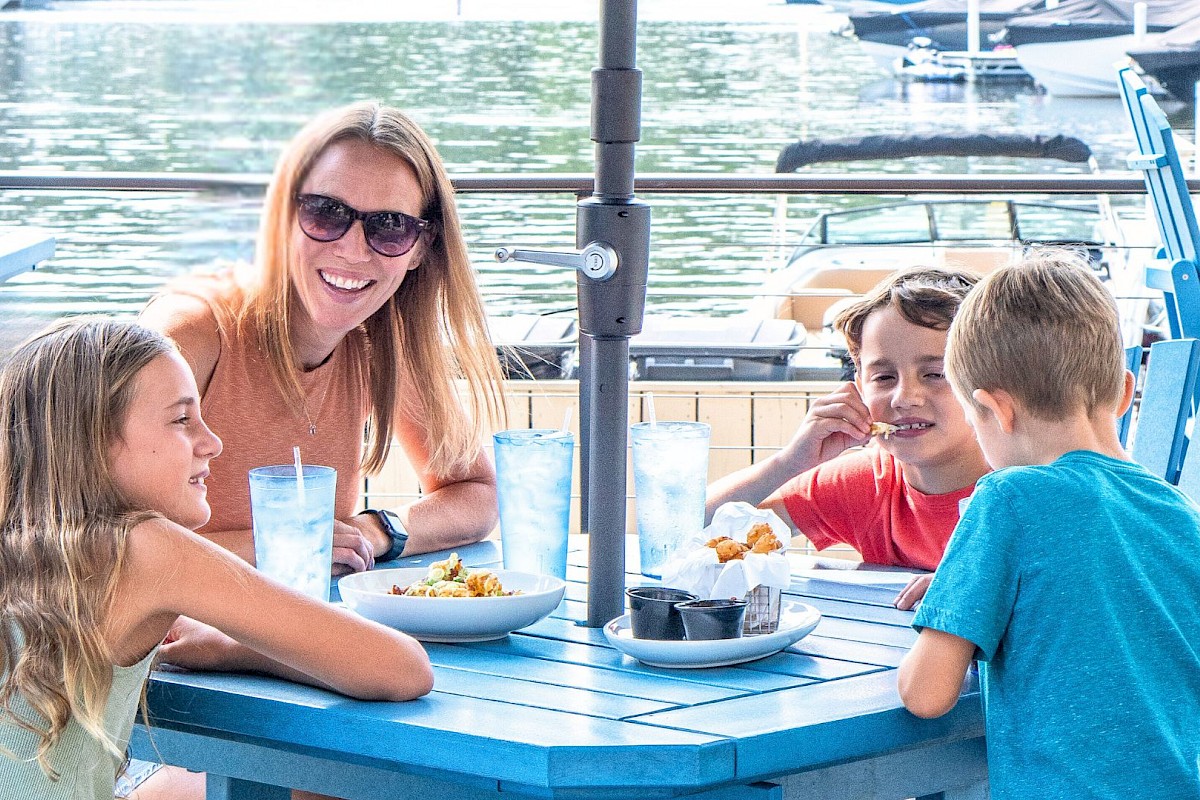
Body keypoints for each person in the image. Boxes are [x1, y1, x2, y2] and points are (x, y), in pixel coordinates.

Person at [0, 318, 434, 800]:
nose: (213, 443)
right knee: (336, 785)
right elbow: (402, 668)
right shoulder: (144, 548)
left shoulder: (22, 544)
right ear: (94, 440)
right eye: (182, 420)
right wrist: (232, 647)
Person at [140, 101, 506, 576]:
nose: (353, 250)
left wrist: (377, 531)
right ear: (283, 217)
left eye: (390, 226)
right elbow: (82, 535)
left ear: (420, 249)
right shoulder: (190, 334)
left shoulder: (377, 340)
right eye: (327, 212)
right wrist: (291, 545)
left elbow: (477, 494)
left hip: (291, 631)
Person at [897, 252, 1200, 799]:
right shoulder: (1179, 513)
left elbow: (926, 693)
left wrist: (954, 593)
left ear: (996, 410)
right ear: (1127, 394)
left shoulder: (1008, 498)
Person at [706, 267, 991, 609]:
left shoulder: (1034, 489)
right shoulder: (868, 484)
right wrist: (791, 462)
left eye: (935, 374)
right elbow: (691, 532)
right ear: (858, 384)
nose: (904, 397)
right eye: (884, 377)